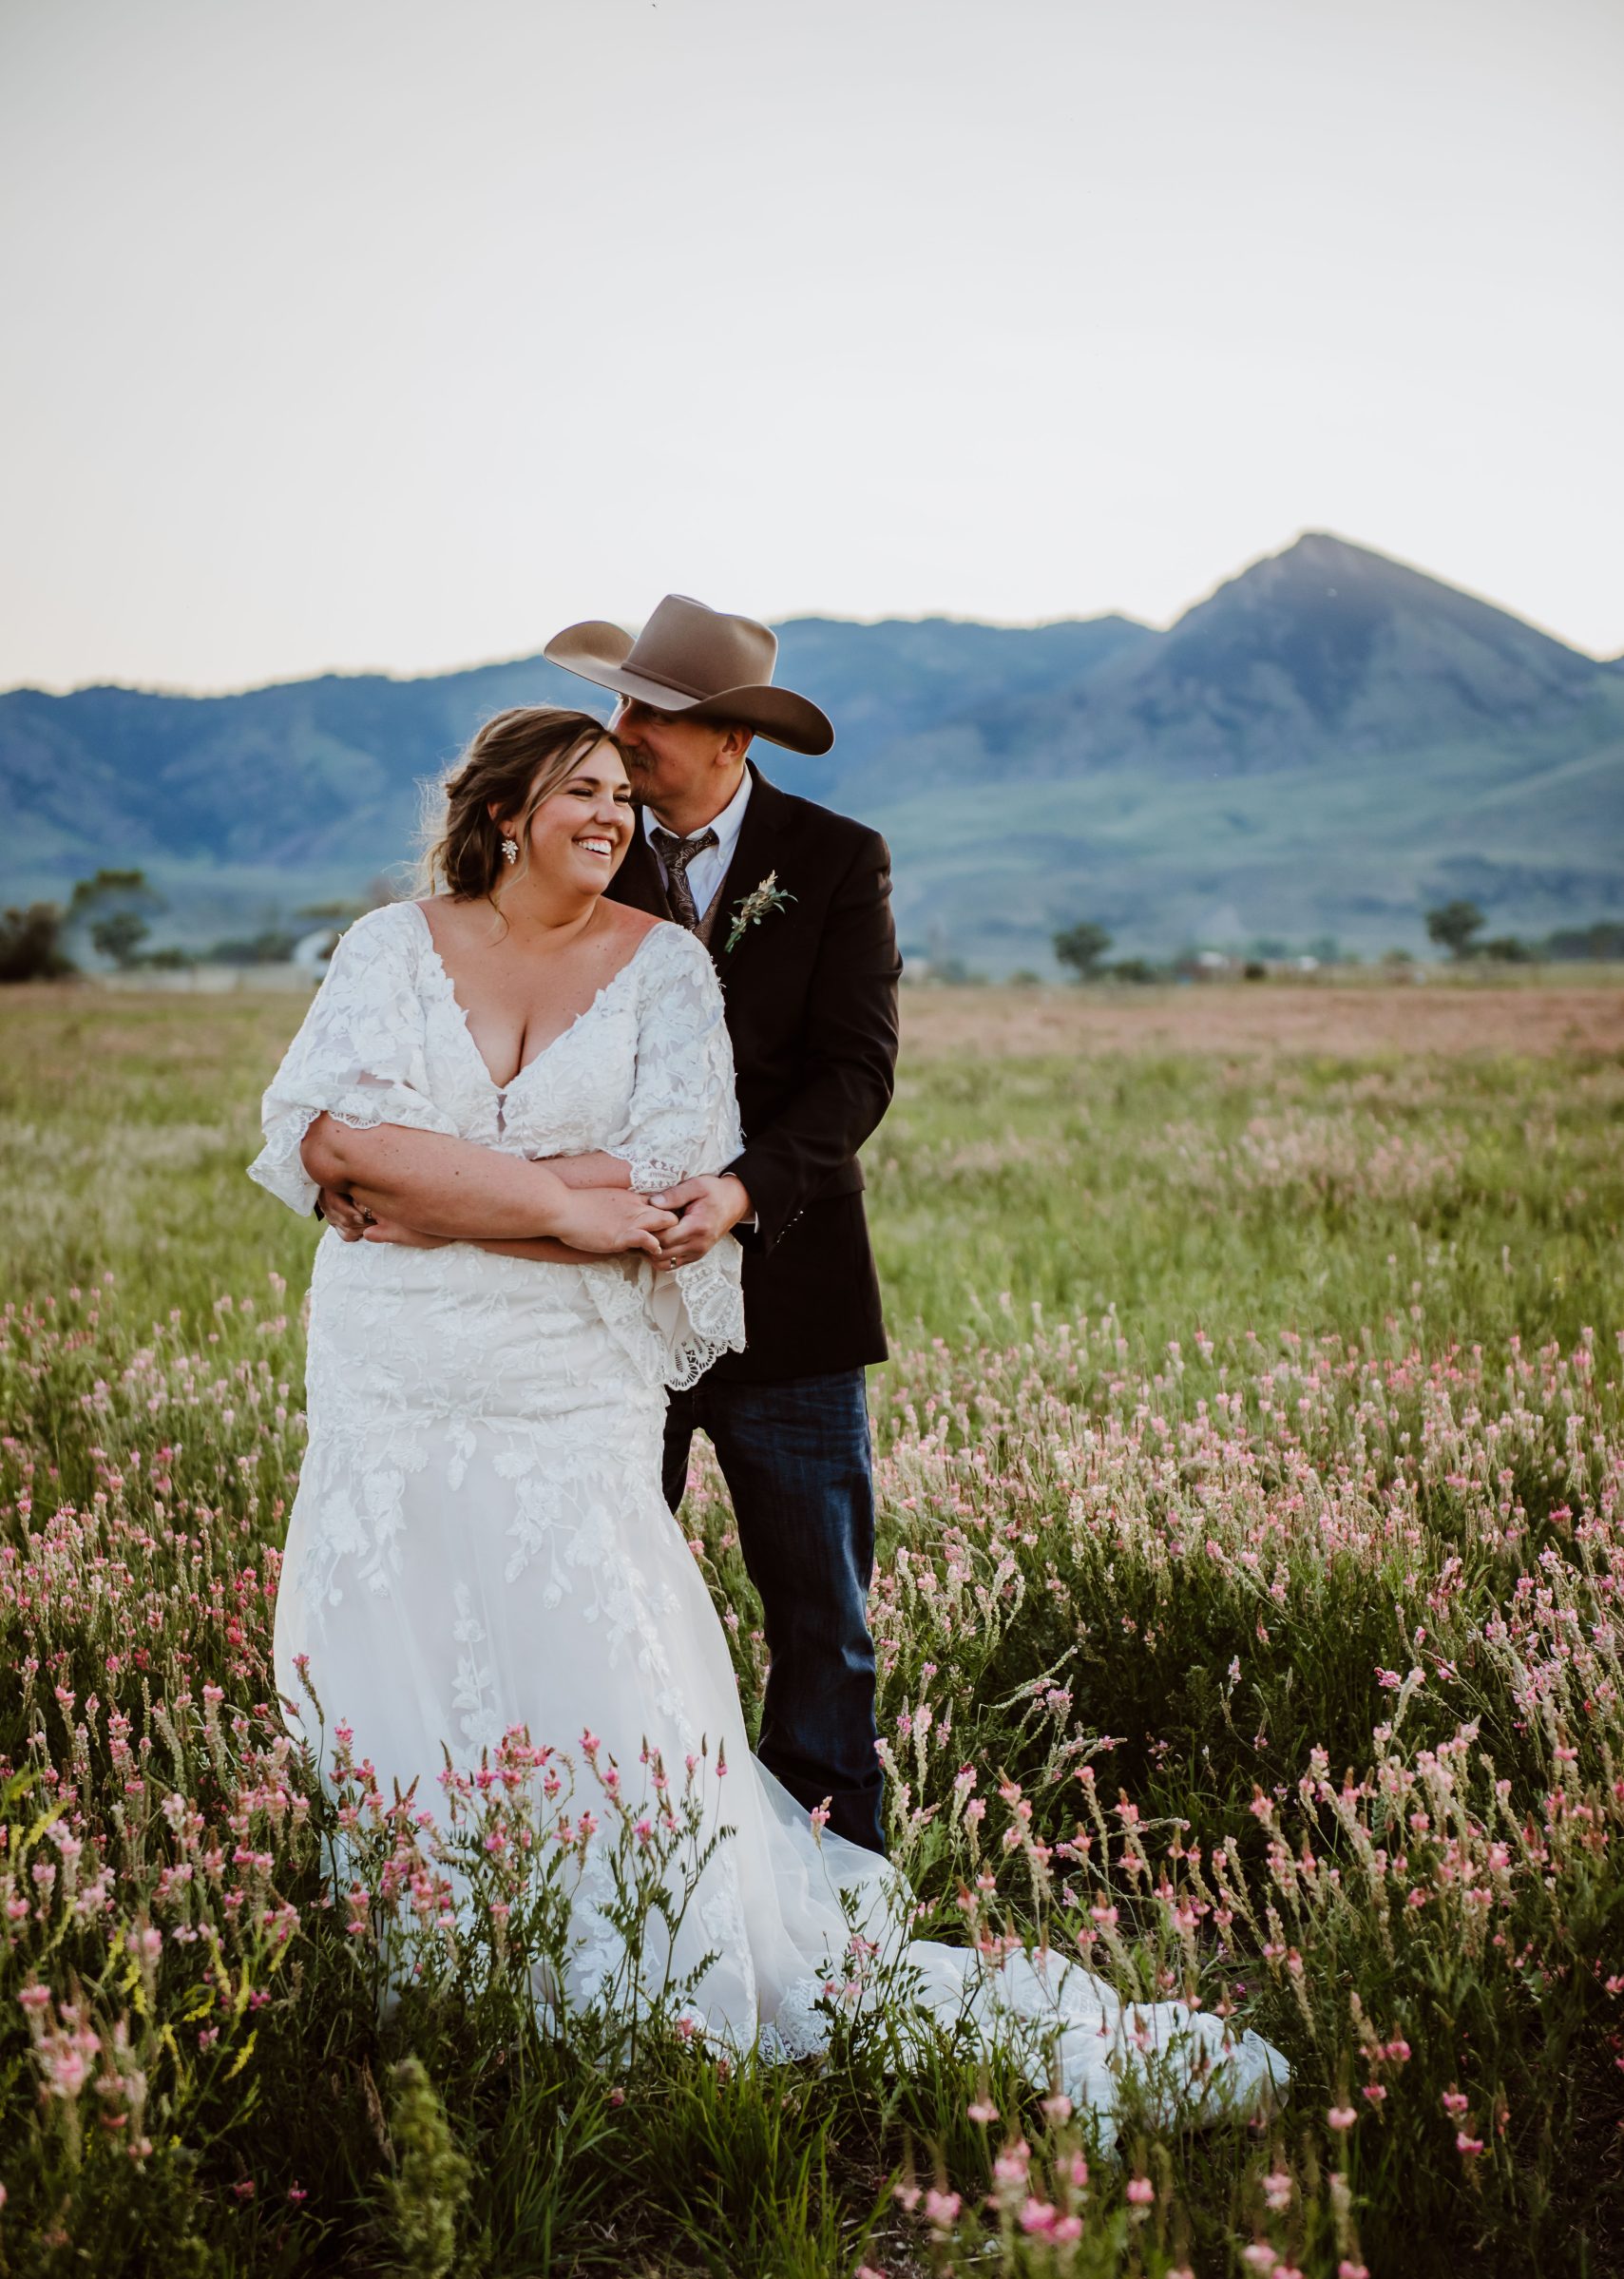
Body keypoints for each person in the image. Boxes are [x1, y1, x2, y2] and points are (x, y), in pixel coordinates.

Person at [253, 702, 1286, 2121]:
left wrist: (469, 1199)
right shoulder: (389, 947)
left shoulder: (727, 924)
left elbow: (686, 1170)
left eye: (636, 763)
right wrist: (566, 1195)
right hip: (390, 1360)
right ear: (505, 812)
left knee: (712, 1605)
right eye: (587, 777)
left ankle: (661, 1920)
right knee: (400, 1612)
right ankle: (432, 1936)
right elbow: (331, 1145)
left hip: (612, 1348)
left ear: (728, 743)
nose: (618, 794)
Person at [545, 594, 898, 1853]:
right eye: (622, 702)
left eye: (650, 712)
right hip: (599, 1300)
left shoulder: (836, 857)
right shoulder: (576, 848)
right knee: (599, 1589)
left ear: (732, 740)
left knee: (820, 1614)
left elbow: (854, 1075)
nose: (620, 730)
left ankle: (840, 1884)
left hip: (791, 1298)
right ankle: (619, 1851)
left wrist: (740, 1193)